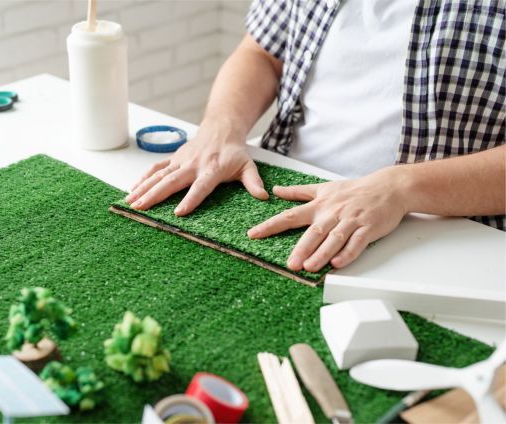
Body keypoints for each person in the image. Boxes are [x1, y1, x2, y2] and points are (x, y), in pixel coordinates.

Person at [126, 0, 505, 273]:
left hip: (447, 229)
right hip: (279, 185)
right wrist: (220, 130)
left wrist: (401, 187)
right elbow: (260, 53)